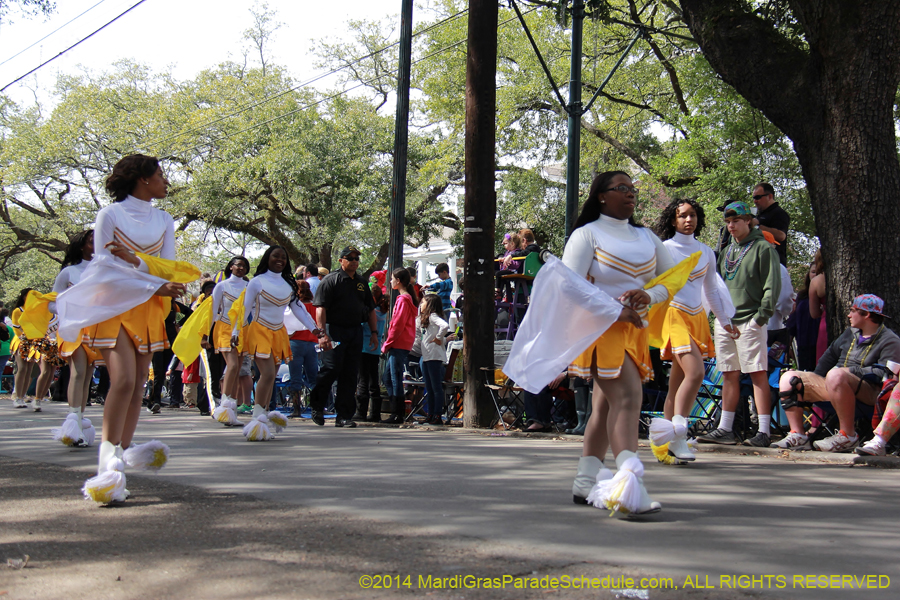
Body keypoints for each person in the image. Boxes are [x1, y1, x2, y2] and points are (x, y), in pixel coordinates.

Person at [57, 154, 197, 504]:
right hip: (115, 303)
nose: (166, 181)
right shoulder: (110, 214)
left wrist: (140, 266)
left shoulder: (164, 218)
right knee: (121, 380)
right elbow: (103, 262)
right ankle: (106, 459)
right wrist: (150, 282)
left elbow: (166, 266)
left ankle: (119, 455)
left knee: (137, 386)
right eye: (161, 174)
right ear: (142, 178)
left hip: (148, 306)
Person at [565, 171, 676, 515]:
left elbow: (671, 279)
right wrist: (615, 311)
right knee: (628, 397)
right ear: (601, 195)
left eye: (633, 189)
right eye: (621, 189)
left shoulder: (646, 237)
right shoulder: (586, 235)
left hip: (635, 331)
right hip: (601, 330)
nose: (630, 194)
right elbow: (569, 285)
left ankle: (585, 481)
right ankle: (630, 484)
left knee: (604, 406)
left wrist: (648, 294)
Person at [651, 199, 734, 463]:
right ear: (673, 220)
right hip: (673, 314)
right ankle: (679, 435)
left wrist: (724, 320)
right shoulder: (664, 249)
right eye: (683, 216)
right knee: (696, 372)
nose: (689, 220)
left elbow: (710, 290)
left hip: (697, 317)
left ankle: (664, 442)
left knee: (677, 384)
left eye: (693, 215)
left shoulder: (707, 252)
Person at [697, 200, 781, 448]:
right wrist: (718, 317)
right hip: (726, 322)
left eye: (736, 221)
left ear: (748, 220)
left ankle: (763, 431)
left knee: (756, 373)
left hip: (750, 320)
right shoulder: (726, 251)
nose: (731, 226)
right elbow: (717, 287)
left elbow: (772, 287)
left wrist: (759, 319)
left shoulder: (764, 249)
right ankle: (725, 428)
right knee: (729, 373)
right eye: (728, 222)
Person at [775, 294, 900, 452]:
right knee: (789, 378)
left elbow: (885, 374)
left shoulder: (890, 340)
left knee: (836, 375)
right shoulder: (850, 333)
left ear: (867, 314)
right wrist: (813, 380)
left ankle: (847, 435)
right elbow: (828, 358)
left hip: (869, 393)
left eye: (853, 310)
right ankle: (798, 434)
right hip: (835, 385)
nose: (849, 314)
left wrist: (849, 372)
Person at [233, 246, 321, 441]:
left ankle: (262, 416)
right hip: (258, 330)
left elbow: (298, 309)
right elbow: (245, 308)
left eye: (283, 257)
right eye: (275, 256)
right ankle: (257, 418)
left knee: (270, 378)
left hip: (278, 332)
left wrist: (313, 327)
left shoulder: (288, 285)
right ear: (268, 258)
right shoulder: (256, 282)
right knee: (268, 373)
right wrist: (235, 331)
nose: (279, 260)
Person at [309, 246, 378, 427]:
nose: (354, 261)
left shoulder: (362, 283)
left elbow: (370, 309)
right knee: (331, 368)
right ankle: (317, 406)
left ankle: (344, 415)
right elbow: (320, 309)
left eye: (356, 258)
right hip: (334, 330)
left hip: (354, 331)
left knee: (350, 373)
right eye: (350, 258)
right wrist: (322, 334)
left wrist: (374, 333)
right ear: (341, 260)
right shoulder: (331, 280)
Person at [50, 230, 99, 446]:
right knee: (78, 372)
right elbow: (52, 302)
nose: (96, 244)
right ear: (81, 246)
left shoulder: (104, 270)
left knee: (87, 375)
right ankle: (73, 422)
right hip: (73, 328)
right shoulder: (69, 272)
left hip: (96, 328)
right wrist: (69, 307)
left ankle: (78, 422)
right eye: (91, 241)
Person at [208, 256, 250, 418]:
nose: (240, 268)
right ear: (231, 267)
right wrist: (206, 334)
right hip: (224, 328)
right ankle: (224, 405)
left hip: (243, 329)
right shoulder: (221, 286)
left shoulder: (249, 286)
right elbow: (212, 311)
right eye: (238, 265)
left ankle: (230, 408)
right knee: (232, 366)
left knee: (237, 370)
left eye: (244, 266)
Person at [381, 267, 419, 424]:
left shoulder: (403, 299)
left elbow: (397, 324)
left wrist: (387, 343)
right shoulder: (407, 299)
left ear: (399, 281)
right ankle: (396, 412)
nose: (390, 281)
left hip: (398, 343)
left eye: (392, 279)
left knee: (394, 377)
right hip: (401, 342)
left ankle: (397, 414)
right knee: (388, 377)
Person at [287, 279, 319, 417]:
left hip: (295, 343)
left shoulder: (294, 306)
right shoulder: (315, 307)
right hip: (312, 344)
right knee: (313, 377)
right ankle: (317, 407)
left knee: (295, 377)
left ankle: (296, 409)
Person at [418, 294, 452, 425]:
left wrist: (438, 338)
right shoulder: (425, 318)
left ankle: (437, 414)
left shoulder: (433, 316)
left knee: (436, 387)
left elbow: (444, 326)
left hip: (434, 356)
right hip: (426, 356)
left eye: (423, 302)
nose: (421, 305)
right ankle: (430, 414)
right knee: (429, 387)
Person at [355, 285, 387, 422]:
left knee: (362, 380)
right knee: (374, 381)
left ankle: (361, 412)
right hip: (375, 349)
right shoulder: (383, 311)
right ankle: (375, 413)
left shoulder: (369, 312)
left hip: (363, 347)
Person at [787, 261, 821, 371]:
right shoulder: (802, 296)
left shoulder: (825, 295)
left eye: (818, 272)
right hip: (804, 342)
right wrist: (788, 341)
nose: (815, 275)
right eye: (813, 272)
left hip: (820, 340)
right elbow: (794, 319)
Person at [751, 182, 789, 266]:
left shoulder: (779, 213)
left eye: (758, 197)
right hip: (759, 260)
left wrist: (757, 226)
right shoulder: (760, 214)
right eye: (753, 198)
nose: (755, 201)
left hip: (774, 262)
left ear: (770, 196)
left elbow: (781, 235)